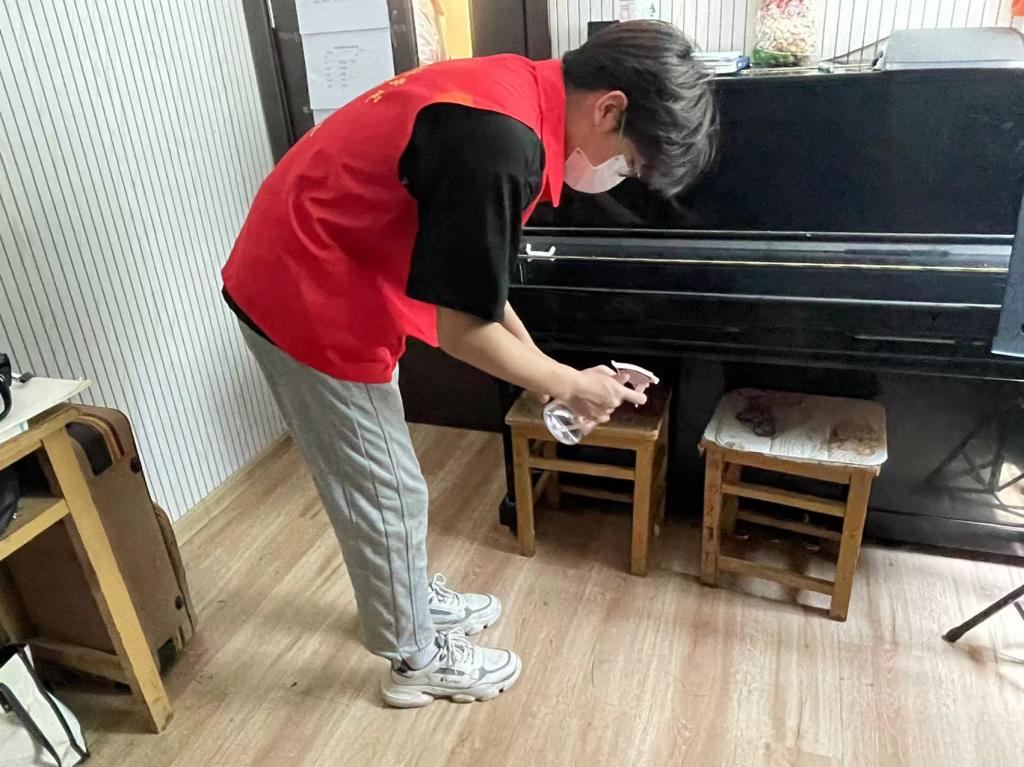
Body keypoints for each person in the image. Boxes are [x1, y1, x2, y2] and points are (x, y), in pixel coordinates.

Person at [221, 20, 716, 708]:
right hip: (302, 287)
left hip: (331, 261)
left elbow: (476, 288)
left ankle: (406, 594)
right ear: (610, 108)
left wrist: (550, 375)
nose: (617, 175)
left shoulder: (515, 94)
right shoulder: (497, 145)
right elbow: (465, 332)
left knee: (385, 480)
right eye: (629, 161)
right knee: (387, 489)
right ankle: (414, 658)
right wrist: (569, 383)